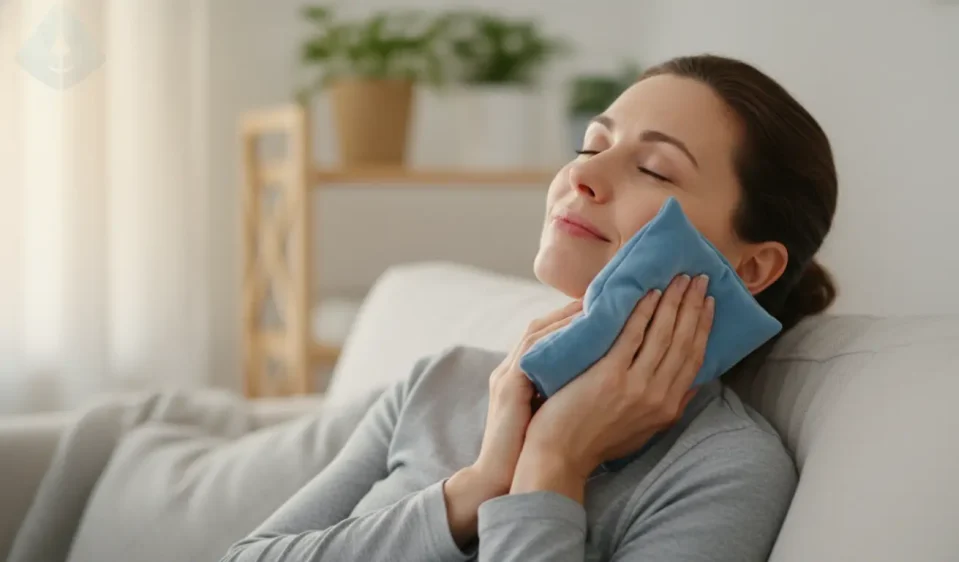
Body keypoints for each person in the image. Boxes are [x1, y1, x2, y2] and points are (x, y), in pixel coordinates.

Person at [220, 53, 838, 562]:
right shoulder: (444, 381)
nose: (585, 176)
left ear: (753, 267)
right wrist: (473, 490)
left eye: (654, 169)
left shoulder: (724, 470)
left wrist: (553, 461)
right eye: (589, 144)